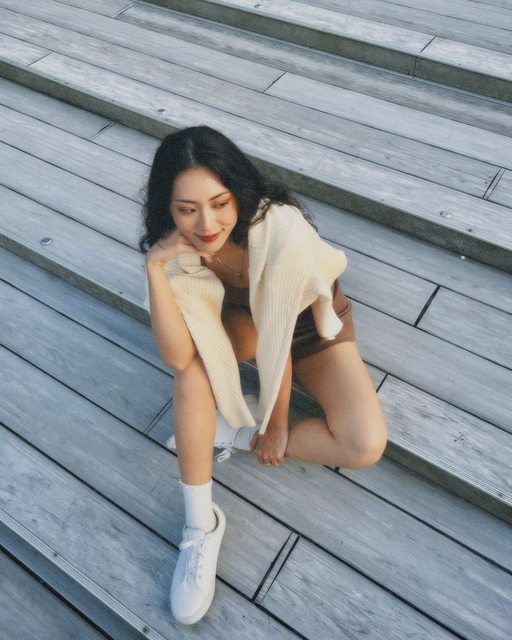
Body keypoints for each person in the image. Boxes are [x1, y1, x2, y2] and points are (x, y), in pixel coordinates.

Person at [139, 125, 388, 625]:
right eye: (187, 209)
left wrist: (275, 426)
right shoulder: (178, 244)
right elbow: (177, 356)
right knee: (192, 372)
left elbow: (281, 339)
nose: (206, 223)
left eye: (220, 203)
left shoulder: (280, 230)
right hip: (243, 316)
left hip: (307, 326)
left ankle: (229, 430)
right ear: (168, 207)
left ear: (239, 191)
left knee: (364, 444)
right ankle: (200, 526)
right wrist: (154, 267)